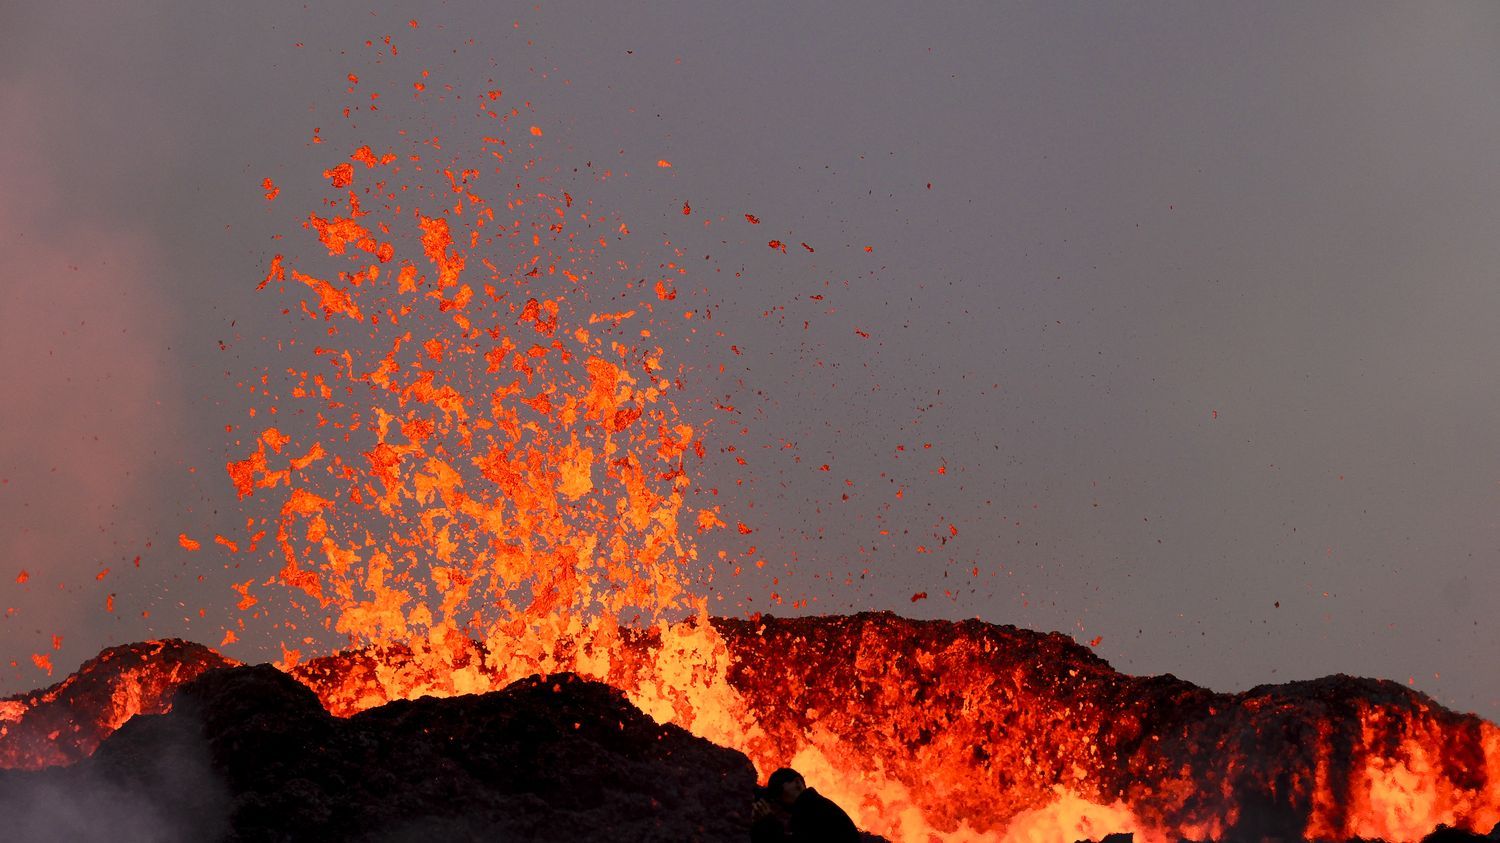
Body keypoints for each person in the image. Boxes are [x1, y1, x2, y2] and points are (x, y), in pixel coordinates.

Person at [754, 767, 860, 843]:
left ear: (798, 783)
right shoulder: (815, 805)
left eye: (779, 791)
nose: (778, 800)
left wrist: (769, 823)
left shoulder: (813, 810)